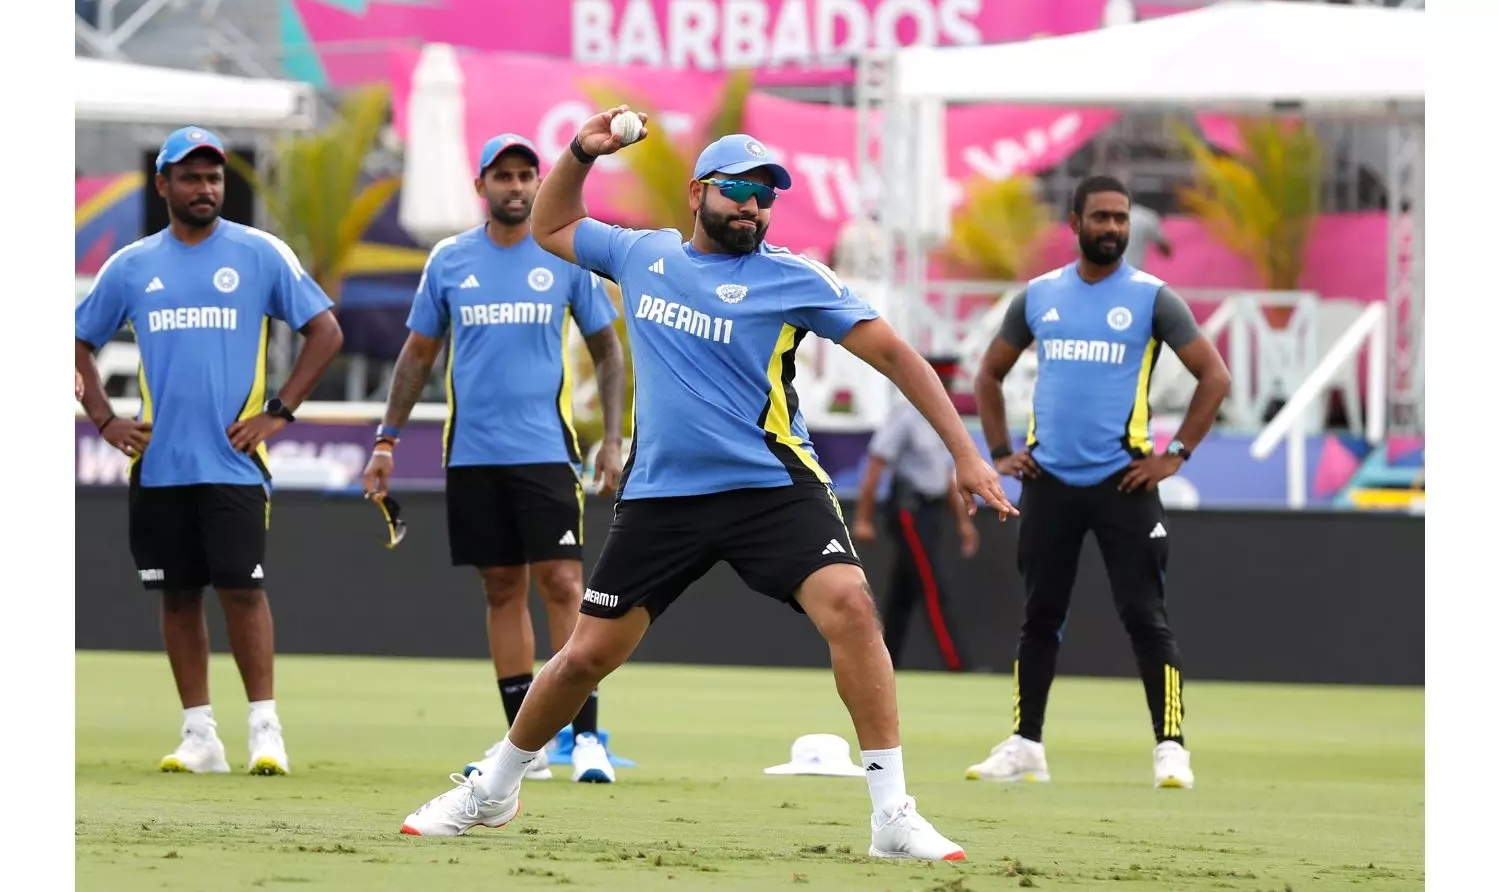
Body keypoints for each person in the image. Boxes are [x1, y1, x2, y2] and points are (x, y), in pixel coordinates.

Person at [397, 108, 1017, 862]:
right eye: (738, 190)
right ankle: (493, 789)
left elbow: (895, 356)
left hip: (771, 486)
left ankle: (892, 813)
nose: (753, 206)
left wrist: (966, 453)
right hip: (664, 496)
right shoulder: (643, 255)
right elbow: (552, 225)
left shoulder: (794, 277)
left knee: (853, 607)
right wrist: (582, 151)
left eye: (766, 195)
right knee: (587, 656)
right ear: (698, 193)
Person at [74, 126, 343, 775]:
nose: (205, 188)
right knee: (176, 596)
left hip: (233, 465)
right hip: (159, 464)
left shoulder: (259, 253)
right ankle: (200, 737)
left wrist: (279, 411)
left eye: (214, 177)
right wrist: (104, 419)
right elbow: (76, 341)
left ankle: (265, 730)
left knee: (243, 591)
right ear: (162, 185)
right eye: (190, 177)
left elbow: (325, 331)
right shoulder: (131, 265)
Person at [361, 133, 627, 784]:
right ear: (480, 186)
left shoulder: (562, 254)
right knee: (502, 589)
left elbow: (608, 351)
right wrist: (386, 440)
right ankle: (523, 747)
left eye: (525, 175)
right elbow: (417, 356)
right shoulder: (450, 260)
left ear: (539, 183)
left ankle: (585, 739)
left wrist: (614, 439)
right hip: (473, 456)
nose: (516, 186)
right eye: (502, 176)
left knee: (563, 585)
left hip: (546, 454)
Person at [965, 175, 1230, 790]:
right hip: (1049, 484)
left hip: (1125, 484)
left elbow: (1213, 377)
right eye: (1101, 217)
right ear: (1075, 222)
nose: (1113, 228)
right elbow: (987, 375)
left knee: (1146, 618)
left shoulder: (1152, 298)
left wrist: (1174, 456)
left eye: (1121, 218)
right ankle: (1026, 745)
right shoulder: (1038, 297)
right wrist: (1001, 453)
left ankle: (1171, 748)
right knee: (1040, 618)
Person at [851, 354, 979, 672]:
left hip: (932, 512)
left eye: (948, 384)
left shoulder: (942, 419)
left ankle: (883, 663)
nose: (947, 389)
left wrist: (963, 523)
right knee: (932, 587)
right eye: (942, 382)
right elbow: (875, 466)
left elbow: (947, 475)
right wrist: (863, 518)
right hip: (909, 512)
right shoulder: (905, 417)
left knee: (902, 596)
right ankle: (957, 664)